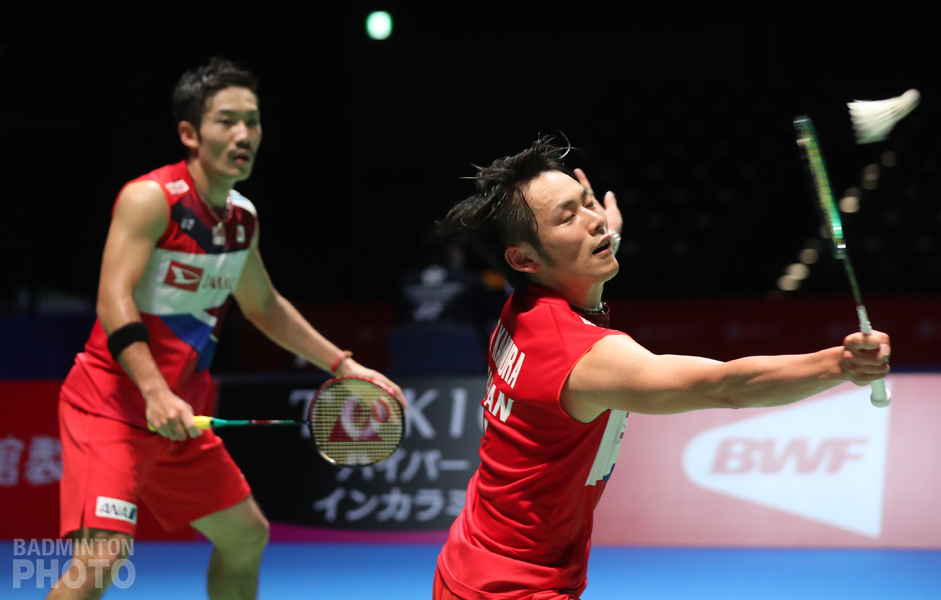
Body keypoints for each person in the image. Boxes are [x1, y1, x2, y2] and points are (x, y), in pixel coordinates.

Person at [432, 136, 891, 600]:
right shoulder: (584, 357)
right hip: (511, 588)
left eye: (588, 203)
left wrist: (599, 235)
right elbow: (725, 386)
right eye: (567, 218)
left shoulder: (521, 309)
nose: (594, 220)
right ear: (523, 258)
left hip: (469, 560)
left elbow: (572, 264)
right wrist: (840, 364)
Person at [50, 57, 404, 599]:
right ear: (190, 133)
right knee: (102, 558)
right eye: (227, 121)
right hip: (112, 408)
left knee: (245, 535)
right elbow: (112, 299)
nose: (244, 135)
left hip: (179, 420)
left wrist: (344, 365)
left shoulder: (242, 219)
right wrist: (154, 392)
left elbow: (264, 306)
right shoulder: (151, 200)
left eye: (252, 121)